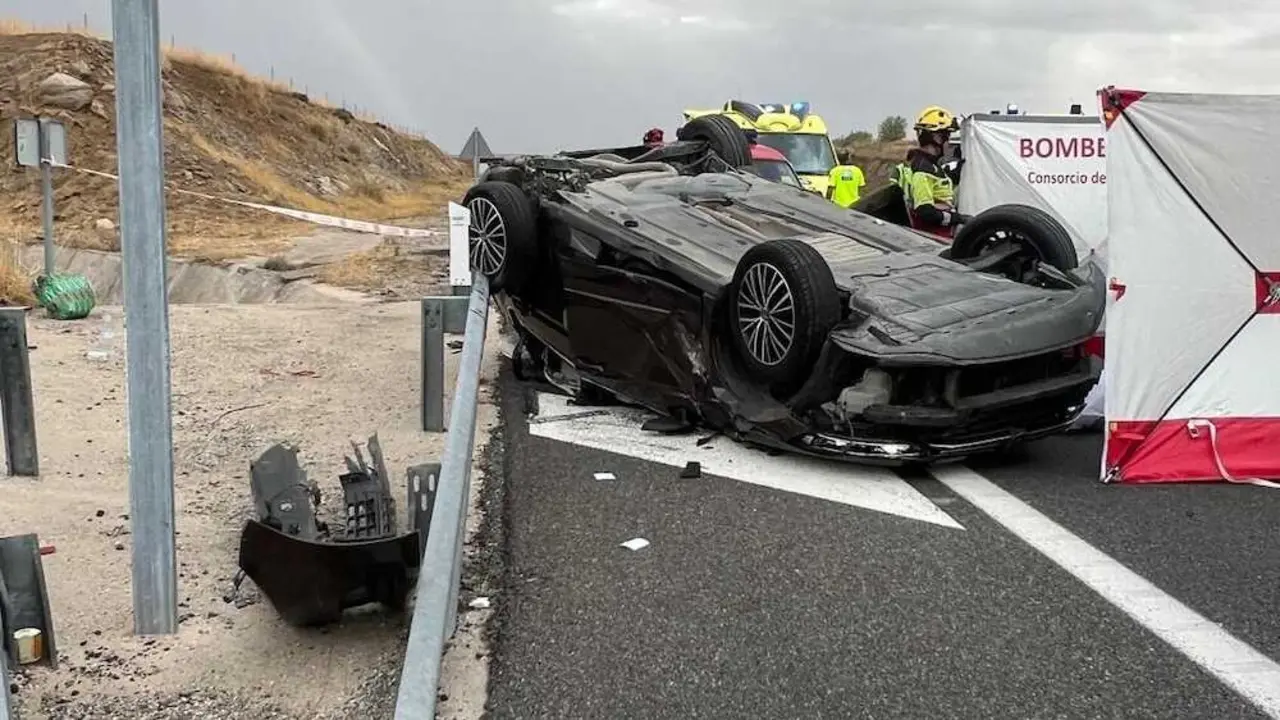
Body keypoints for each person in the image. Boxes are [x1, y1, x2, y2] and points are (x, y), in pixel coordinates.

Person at [892, 106, 970, 239]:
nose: (948, 142)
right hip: (934, 239)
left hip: (939, 236)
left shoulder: (930, 166)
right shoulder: (923, 170)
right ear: (936, 138)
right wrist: (958, 218)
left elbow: (938, 189)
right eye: (947, 136)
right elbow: (925, 212)